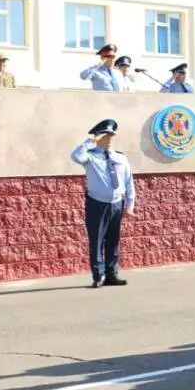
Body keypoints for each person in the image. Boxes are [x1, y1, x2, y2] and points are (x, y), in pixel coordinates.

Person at [70, 119, 135, 288]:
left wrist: (130, 205)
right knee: (97, 240)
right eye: (107, 135)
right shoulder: (89, 156)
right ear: (99, 137)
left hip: (116, 203)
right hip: (96, 204)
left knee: (114, 240)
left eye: (112, 135)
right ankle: (98, 275)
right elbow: (75, 156)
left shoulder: (120, 157)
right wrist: (89, 141)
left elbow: (128, 181)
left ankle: (112, 273)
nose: (111, 138)